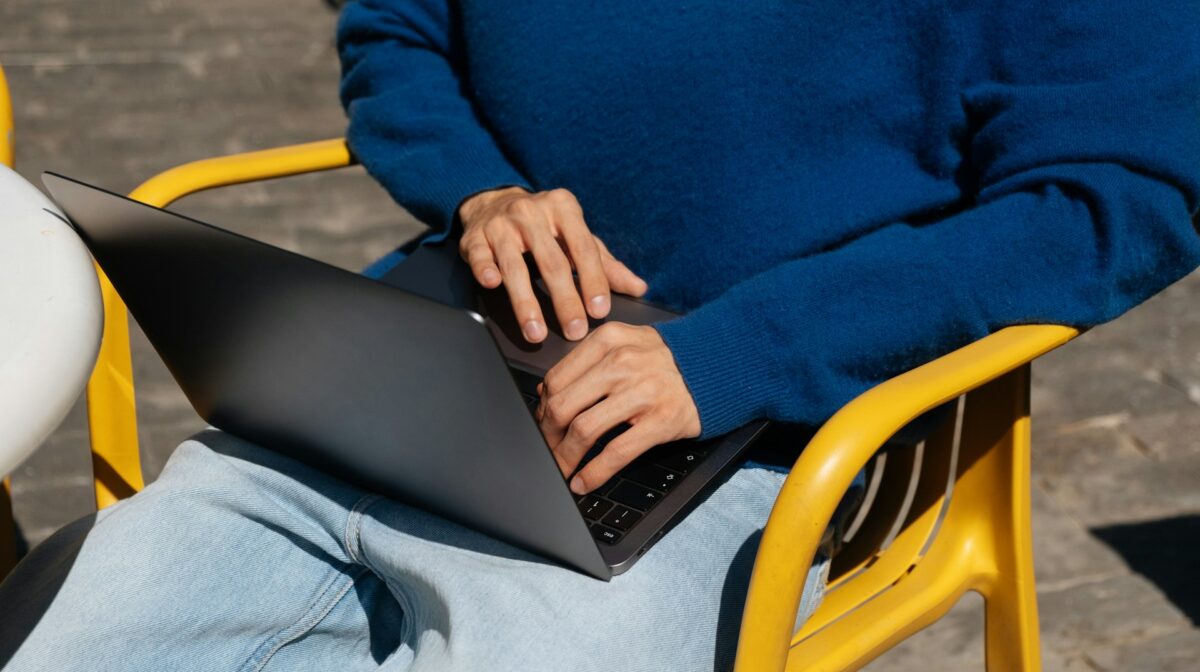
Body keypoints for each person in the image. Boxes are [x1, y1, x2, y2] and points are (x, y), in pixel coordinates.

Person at [2, 1, 1198, 670]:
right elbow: (395, 34)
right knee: (56, 638)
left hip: (753, 422)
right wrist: (478, 190)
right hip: (401, 368)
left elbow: (1120, 196)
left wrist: (734, 355)